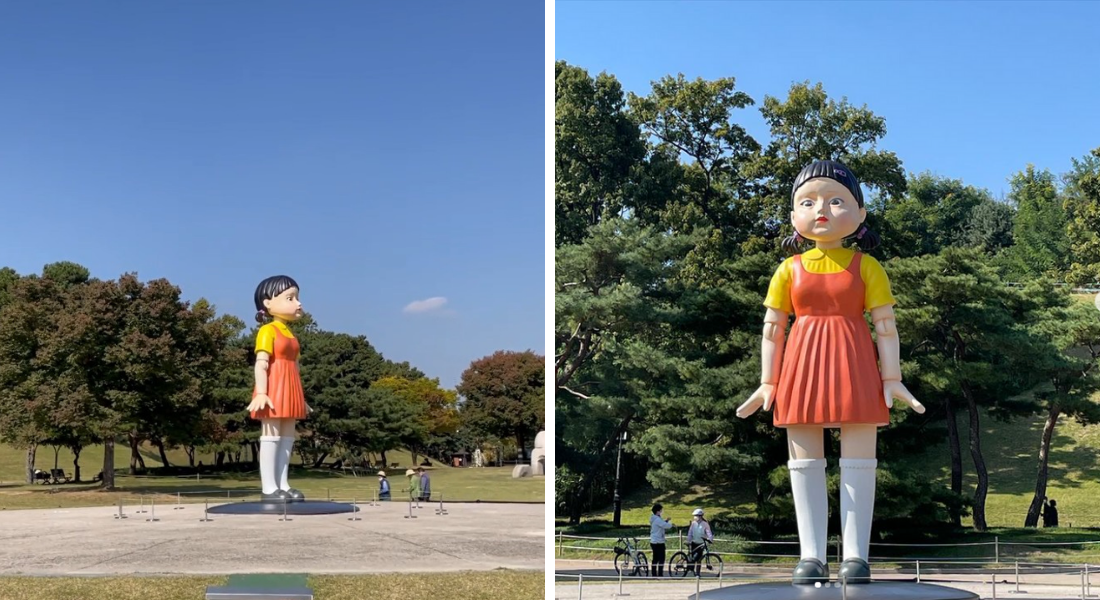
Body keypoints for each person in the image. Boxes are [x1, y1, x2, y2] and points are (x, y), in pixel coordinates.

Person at [736, 160, 924, 585]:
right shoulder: (787, 270)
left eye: (836, 200)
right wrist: (768, 381)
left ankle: (856, 556)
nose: (821, 209)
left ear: (860, 214)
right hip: (800, 366)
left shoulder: (867, 267)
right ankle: (812, 556)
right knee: (804, 460)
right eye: (808, 201)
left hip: (855, 363)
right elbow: (772, 329)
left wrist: (891, 378)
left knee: (860, 459)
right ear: (793, 216)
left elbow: (886, 326)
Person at [247, 275, 312, 502]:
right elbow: (262, 363)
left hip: (291, 388)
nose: (298, 303)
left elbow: (294, 365)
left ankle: (283, 483)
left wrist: (300, 397)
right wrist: (262, 393)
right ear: (267, 303)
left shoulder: (290, 334)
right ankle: (269, 487)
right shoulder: (268, 331)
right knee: (271, 435)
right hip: (274, 388)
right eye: (290, 298)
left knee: (287, 437)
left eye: (297, 298)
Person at [687, 508, 713, 577]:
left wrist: (710, 539)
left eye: (696, 516)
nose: (695, 517)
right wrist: (688, 540)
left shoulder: (705, 524)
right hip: (694, 542)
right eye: (694, 516)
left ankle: (698, 573)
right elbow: (690, 532)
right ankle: (691, 569)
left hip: (701, 543)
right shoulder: (693, 523)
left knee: (698, 559)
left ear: (700, 516)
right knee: (692, 557)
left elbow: (708, 532)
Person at [649, 503, 673, 577]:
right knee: (661, 558)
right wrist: (669, 522)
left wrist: (665, 520)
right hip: (659, 541)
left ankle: (654, 573)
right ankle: (660, 574)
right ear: (657, 511)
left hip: (653, 541)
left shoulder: (654, 519)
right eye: (661, 510)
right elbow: (667, 526)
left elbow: (661, 524)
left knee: (655, 558)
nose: (661, 512)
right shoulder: (657, 520)